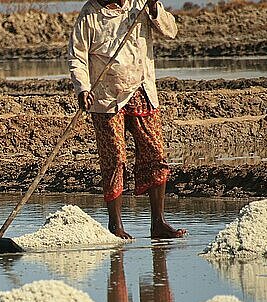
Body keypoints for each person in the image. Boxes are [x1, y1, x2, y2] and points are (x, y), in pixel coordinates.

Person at [68, 0, 187, 239]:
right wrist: (83, 89)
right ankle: (116, 226)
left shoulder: (141, 4)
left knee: (155, 153)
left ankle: (158, 223)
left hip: (142, 89)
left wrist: (154, 9)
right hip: (105, 96)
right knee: (114, 158)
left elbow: (170, 30)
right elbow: (77, 57)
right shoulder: (91, 14)